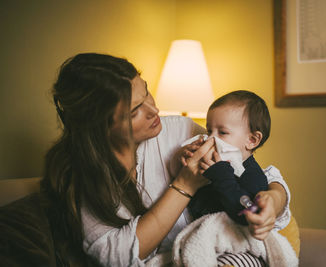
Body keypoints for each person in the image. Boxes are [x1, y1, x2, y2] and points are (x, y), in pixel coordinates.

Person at [40, 53, 291, 266]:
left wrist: (275, 198)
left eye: (146, 92)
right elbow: (113, 256)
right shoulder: (86, 176)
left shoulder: (178, 130)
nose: (154, 110)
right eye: (135, 111)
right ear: (101, 127)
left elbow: (249, 167)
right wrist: (185, 185)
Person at [182, 90, 273, 226]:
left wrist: (222, 177)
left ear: (252, 140)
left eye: (223, 132)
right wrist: (189, 156)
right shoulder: (213, 163)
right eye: (209, 131)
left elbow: (248, 212)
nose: (211, 138)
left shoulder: (253, 175)